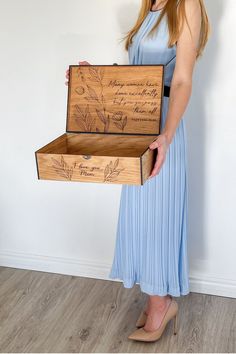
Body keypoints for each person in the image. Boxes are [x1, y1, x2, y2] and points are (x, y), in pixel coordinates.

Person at [65, 0, 210, 342]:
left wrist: (167, 135)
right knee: (141, 215)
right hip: (136, 125)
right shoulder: (151, 5)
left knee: (158, 214)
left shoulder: (186, 3)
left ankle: (161, 304)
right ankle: (157, 298)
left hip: (162, 128)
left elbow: (183, 79)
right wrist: (93, 78)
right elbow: (140, 75)